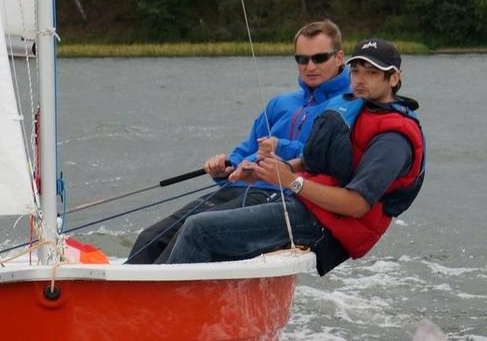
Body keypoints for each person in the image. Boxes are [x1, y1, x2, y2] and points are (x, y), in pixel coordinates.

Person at [165, 38, 425, 275]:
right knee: (175, 230)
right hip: (307, 207)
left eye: (371, 73)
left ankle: (170, 316)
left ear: (394, 79)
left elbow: (357, 205)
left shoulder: (393, 140)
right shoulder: (355, 108)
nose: (359, 79)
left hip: (329, 226)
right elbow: (313, 160)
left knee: (199, 230)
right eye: (356, 70)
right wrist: (266, 169)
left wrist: (291, 181)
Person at [126, 20, 352, 264]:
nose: (309, 66)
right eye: (302, 59)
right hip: (241, 188)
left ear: (339, 57)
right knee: (150, 237)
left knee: (195, 230)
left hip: (283, 198)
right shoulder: (281, 103)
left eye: (319, 58)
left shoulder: (346, 105)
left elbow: (325, 157)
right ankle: (118, 297)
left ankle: (159, 299)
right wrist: (229, 165)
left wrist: (280, 146)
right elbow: (248, 148)